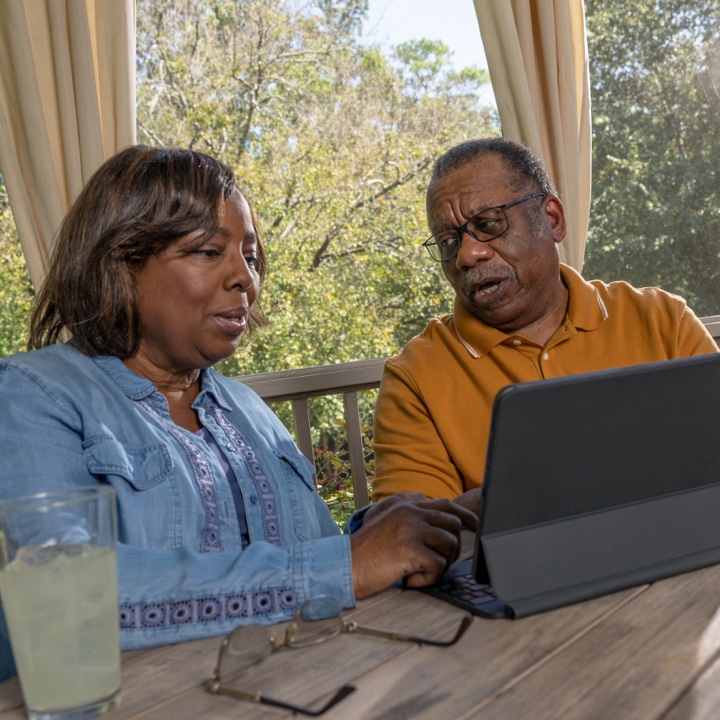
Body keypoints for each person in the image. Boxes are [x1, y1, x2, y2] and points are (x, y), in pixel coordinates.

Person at [0, 145, 475, 679]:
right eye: (208, 251)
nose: (245, 278)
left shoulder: (246, 408)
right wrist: (340, 566)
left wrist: (401, 530)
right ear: (121, 262)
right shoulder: (33, 396)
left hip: (294, 686)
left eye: (249, 256)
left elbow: (318, 558)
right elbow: (64, 599)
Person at [372, 137, 719, 509]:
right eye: (447, 242)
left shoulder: (663, 321)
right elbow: (416, 542)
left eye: (488, 224)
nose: (467, 255)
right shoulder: (414, 378)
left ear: (552, 219)